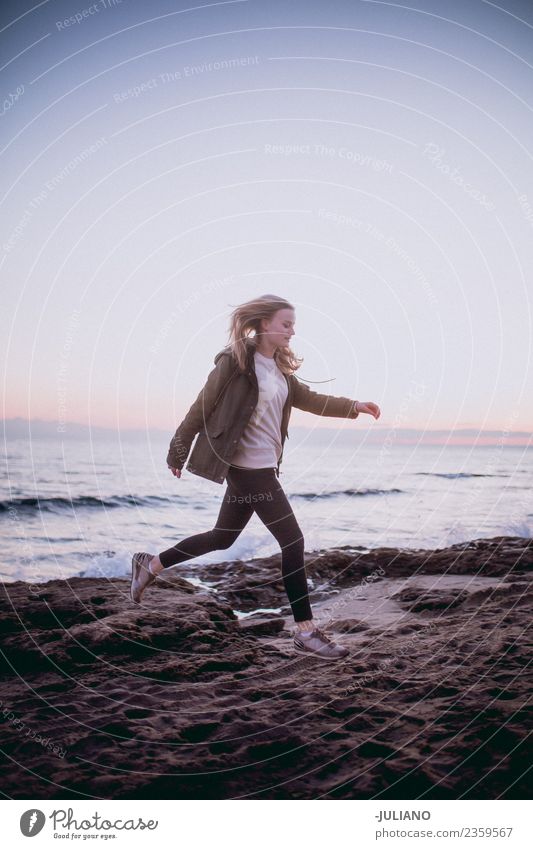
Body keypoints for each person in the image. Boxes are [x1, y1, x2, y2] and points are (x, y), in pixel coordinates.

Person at [131, 294, 381, 661]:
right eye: (286, 324)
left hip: (264, 467)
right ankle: (306, 632)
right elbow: (202, 405)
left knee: (222, 538)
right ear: (264, 324)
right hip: (246, 469)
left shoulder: (278, 368)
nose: (292, 331)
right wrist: (178, 451)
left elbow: (310, 399)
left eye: (293, 325)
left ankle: (150, 564)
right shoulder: (235, 362)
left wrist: (354, 406)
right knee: (293, 541)